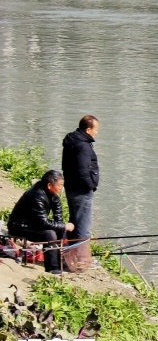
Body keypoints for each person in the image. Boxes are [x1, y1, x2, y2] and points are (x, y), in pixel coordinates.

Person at [7, 170, 74, 274]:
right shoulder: (36, 196)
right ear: (49, 185)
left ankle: (63, 263)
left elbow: (58, 218)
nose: (61, 188)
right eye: (59, 185)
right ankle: (52, 268)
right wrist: (63, 226)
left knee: (61, 230)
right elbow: (43, 223)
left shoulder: (53, 195)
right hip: (19, 226)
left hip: (34, 224)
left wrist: (62, 227)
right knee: (50, 234)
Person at [61, 115, 100, 243]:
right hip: (81, 190)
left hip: (71, 187)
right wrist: (90, 185)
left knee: (75, 223)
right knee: (84, 227)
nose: (97, 132)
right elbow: (83, 171)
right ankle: (81, 258)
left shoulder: (72, 140)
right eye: (96, 129)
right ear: (88, 130)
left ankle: (70, 253)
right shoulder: (83, 146)